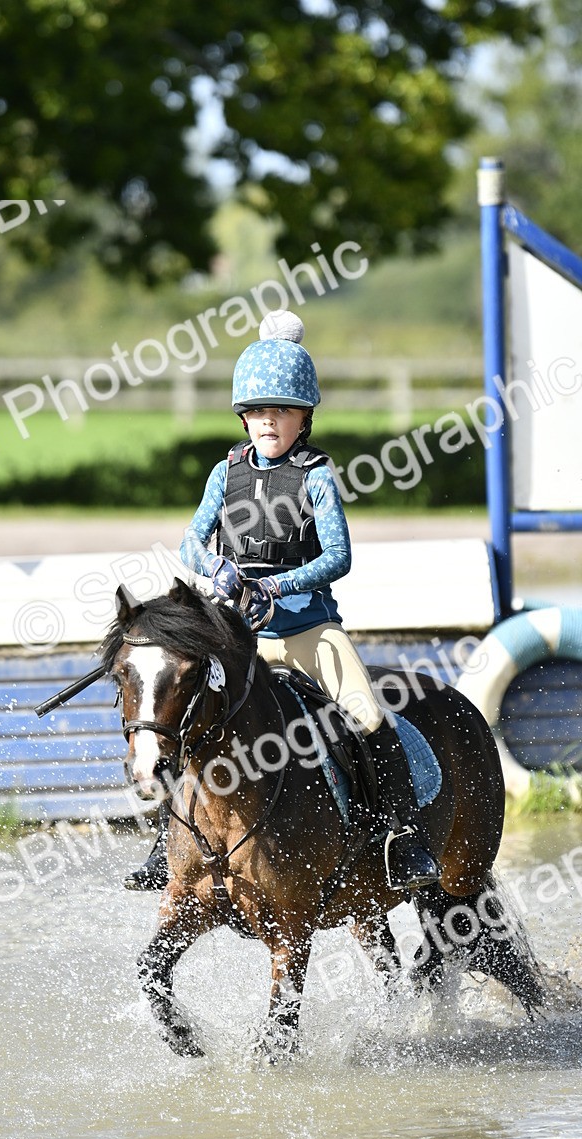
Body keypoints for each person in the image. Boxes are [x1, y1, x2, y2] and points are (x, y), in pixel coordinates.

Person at [123, 309, 439, 894]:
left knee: (366, 715)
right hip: (239, 633)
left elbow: (337, 559)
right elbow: (193, 539)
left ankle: (402, 836)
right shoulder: (226, 474)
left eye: (282, 411)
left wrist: (274, 585)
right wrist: (217, 568)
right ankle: (162, 844)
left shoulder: (316, 475)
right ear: (244, 417)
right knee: (188, 716)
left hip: (309, 630)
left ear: (304, 417)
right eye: (258, 411)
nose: (269, 422)